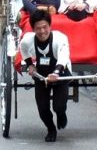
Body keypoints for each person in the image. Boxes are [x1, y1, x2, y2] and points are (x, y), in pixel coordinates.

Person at [19, 9, 71, 142]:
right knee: (42, 108)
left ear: (50, 26)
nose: (42, 31)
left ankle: (61, 114)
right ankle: (51, 129)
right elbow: (23, 50)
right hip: (41, 75)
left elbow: (64, 56)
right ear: (33, 29)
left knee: (58, 106)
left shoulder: (60, 38)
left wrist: (56, 72)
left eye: (45, 27)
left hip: (61, 73)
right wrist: (30, 64)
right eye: (38, 28)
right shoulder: (27, 40)